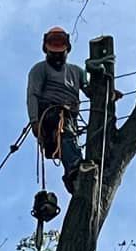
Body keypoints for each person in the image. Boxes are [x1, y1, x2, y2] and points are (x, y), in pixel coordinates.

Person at [27, 26, 95, 192]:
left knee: (70, 134)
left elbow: (92, 92)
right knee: (63, 128)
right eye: (53, 52)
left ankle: (76, 171)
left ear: (67, 50)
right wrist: (35, 121)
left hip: (70, 116)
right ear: (46, 50)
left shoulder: (76, 71)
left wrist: (106, 87)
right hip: (49, 113)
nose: (57, 55)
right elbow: (32, 95)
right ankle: (74, 167)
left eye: (60, 52)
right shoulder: (40, 69)